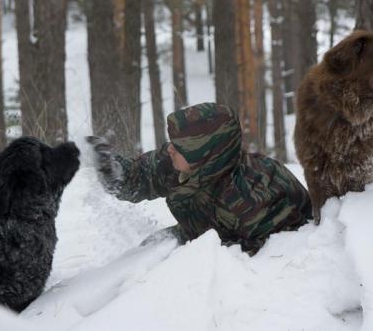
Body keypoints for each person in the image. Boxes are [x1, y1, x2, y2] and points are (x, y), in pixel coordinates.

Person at [87, 102, 312, 255]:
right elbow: (138, 178)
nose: (171, 150)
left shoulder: (249, 200)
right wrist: (111, 168)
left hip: (253, 245)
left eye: (181, 147)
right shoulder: (179, 161)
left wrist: (191, 251)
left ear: (206, 156)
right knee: (150, 250)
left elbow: (263, 260)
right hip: (203, 232)